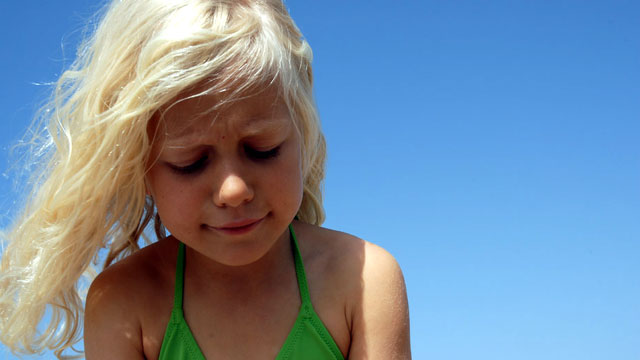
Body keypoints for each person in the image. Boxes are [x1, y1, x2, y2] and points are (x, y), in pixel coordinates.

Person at [0, 0, 411, 358]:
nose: (234, 190)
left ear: (303, 137)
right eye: (190, 162)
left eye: (263, 149)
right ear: (140, 169)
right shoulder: (125, 304)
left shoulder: (362, 281)